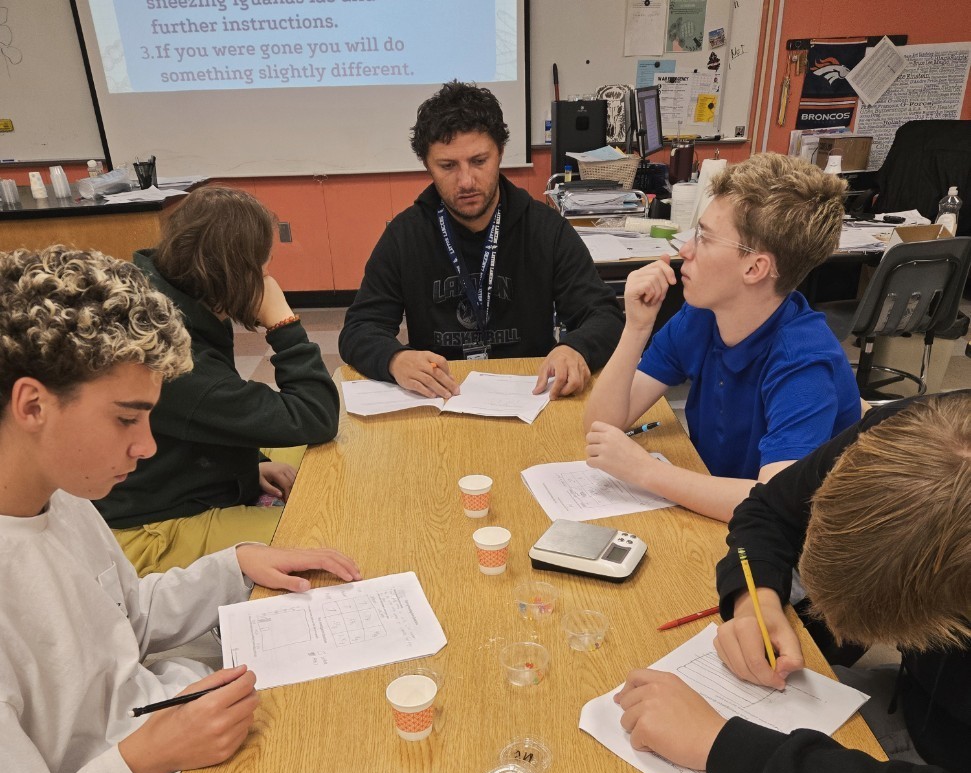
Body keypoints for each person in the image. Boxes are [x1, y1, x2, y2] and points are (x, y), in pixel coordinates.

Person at [0, 246, 361, 773]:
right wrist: (152, 755)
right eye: (126, 418)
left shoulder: (61, 496)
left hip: (175, 739)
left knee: (350, 725)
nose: (146, 446)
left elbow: (125, 620)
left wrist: (235, 564)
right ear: (32, 404)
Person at [615, 392, 971, 773]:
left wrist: (722, 746)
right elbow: (765, 509)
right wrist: (754, 599)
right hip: (912, 703)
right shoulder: (911, 434)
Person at [584, 152, 861, 522]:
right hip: (717, 513)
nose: (685, 250)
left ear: (755, 268)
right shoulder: (702, 316)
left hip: (785, 540)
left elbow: (775, 505)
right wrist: (636, 328)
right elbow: (601, 427)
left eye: (705, 238)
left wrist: (645, 471)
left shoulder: (804, 362)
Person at [95, 185, 340, 576]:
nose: (267, 277)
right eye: (263, 265)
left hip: (177, 479)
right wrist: (283, 323)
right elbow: (315, 416)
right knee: (329, 534)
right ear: (238, 273)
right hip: (149, 529)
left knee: (325, 460)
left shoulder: (169, 297)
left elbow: (208, 414)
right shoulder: (172, 356)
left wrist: (250, 465)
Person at [338, 81, 624, 400]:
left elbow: (604, 314)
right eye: (448, 166)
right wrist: (395, 359)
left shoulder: (545, 229)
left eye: (479, 161)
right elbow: (359, 329)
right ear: (427, 164)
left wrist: (576, 348)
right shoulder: (405, 236)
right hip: (441, 396)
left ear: (499, 153)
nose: (466, 181)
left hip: (532, 393)